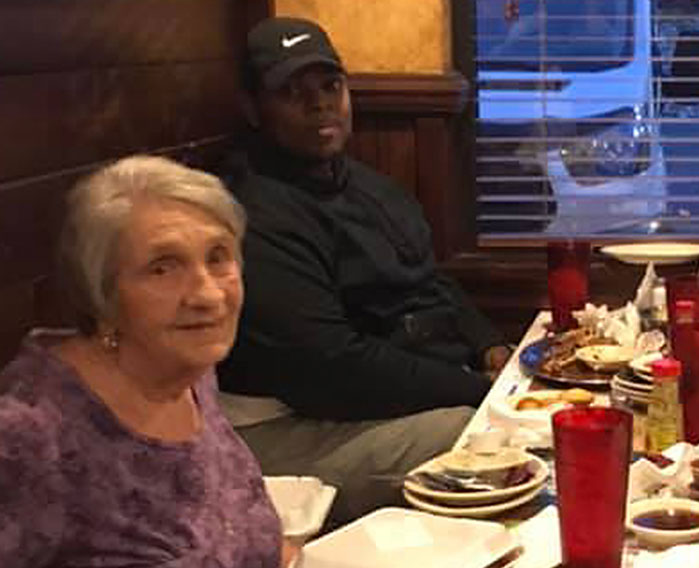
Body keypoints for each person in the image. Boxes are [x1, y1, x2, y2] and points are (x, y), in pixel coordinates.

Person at [0, 156, 500, 568]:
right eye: (162, 268)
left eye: (219, 258)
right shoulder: (26, 437)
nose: (207, 293)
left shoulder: (190, 371)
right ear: (101, 291)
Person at [216, 17, 512, 524]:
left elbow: (431, 280)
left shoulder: (371, 187)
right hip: (288, 426)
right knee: (479, 441)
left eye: (331, 85)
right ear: (252, 108)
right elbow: (332, 368)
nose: (319, 105)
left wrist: (494, 350)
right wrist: (482, 394)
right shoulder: (251, 214)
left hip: (389, 398)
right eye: (292, 92)